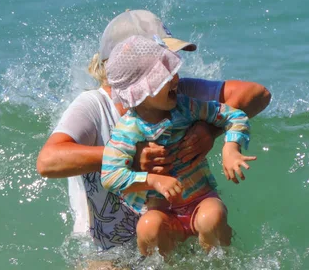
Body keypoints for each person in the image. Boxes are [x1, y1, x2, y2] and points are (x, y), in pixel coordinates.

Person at [36, 10, 271, 253]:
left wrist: (208, 130)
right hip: (105, 249)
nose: (173, 70)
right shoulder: (94, 105)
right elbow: (48, 161)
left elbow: (256, 94)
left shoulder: (176, 93)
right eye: (163, 60)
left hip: (172, 230)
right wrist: (130, 158)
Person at [100, 35, 255, 257]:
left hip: (200, 200)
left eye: (173, 72)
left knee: (212, 217)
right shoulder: (128, 129)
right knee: (148, 227)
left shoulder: (187, 107)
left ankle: (223, 262)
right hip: (161, 212)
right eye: (164, 78)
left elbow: (235, 116)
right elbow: (110, 176)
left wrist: (231, 147)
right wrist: (152, 180)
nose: (175, 80)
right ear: (140, 91)